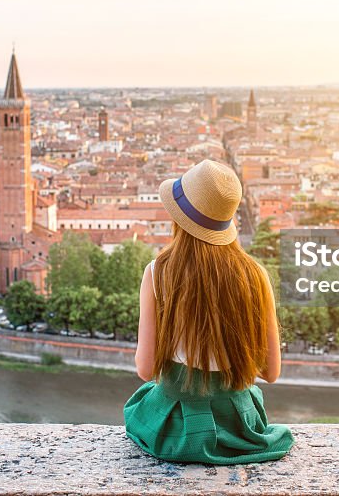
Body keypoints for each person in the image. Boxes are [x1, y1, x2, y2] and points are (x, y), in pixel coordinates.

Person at [123, 159, 294, 464]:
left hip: (176, 428)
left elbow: (145, 369)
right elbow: (272, 371)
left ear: (179, 219)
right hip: (238, 427)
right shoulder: (256, 275)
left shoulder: (157, 273)